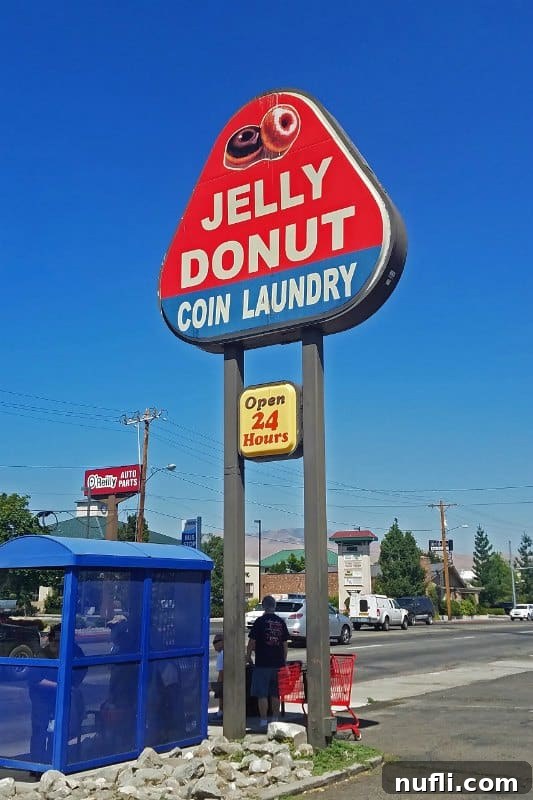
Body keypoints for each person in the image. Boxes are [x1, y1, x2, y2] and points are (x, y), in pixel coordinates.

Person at [28, 624, 86, 763]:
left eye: (59, 640)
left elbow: (83, 665)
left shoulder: (73, 650)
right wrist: (60, 686)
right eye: (53, 639)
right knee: (40, 731)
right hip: (42, 699)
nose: (55, 643)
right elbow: (36, 680)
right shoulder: (42, 655)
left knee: (57, 731)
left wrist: (73, 683)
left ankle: (53, 760)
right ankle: (37, 764)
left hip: (60, 699)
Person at [246, 595, 289, 729]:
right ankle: (275, 719)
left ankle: (263, 720)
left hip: (262, 663)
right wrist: (283, 660)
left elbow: (252, 641)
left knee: (262, 694)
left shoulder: (260, 621)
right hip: (278, 663)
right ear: (274, 606)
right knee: (275, 693)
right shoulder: (281, 622)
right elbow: (285, 644)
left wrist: (248, 656)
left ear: (264, 606)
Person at [210, 633, 224, 719]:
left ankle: (221, 711)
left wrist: (218, 689)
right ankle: (220, 710)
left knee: (206, 687)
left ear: (222, 642)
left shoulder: (221, 655)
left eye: (215, 642)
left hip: (226, 683)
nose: (213, 644)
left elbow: (221, 674)